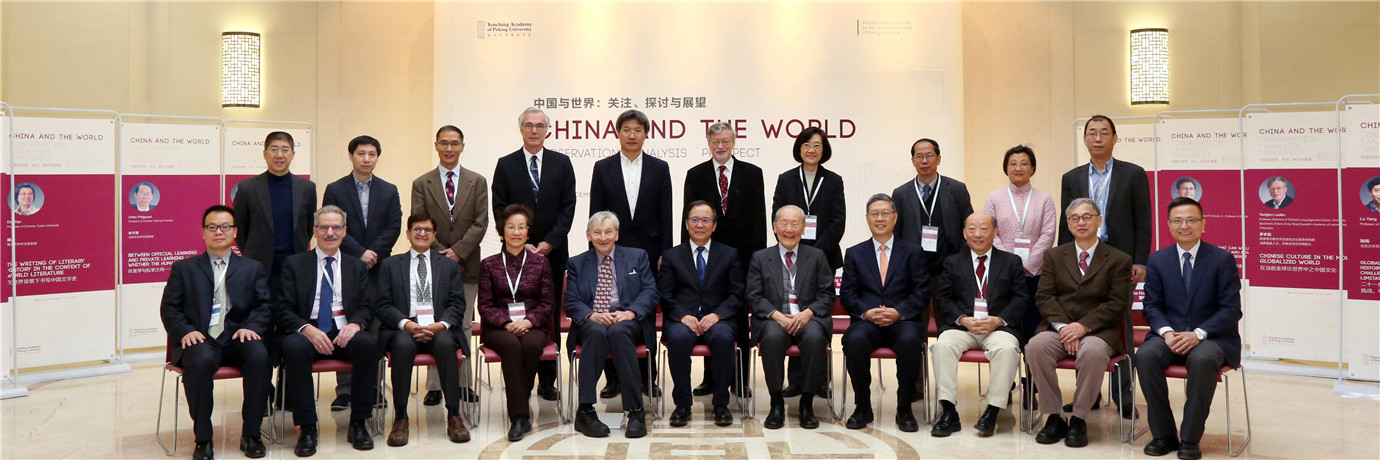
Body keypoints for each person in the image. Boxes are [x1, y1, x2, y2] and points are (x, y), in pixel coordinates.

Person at [160, 205, 272, 460]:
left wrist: (252, 327)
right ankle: (203, 439)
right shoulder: (184, 268)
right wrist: (185, 331)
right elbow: (170, 308)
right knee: (199, 362)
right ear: (203, 232)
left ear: (235, 232)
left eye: (225, 227)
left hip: (237, 336)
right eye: (212, 227)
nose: (218, 232)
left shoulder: (252, 267)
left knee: (259, 357)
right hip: (201, 337)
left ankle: (252, 434)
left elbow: (264, 305)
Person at [1137, 197, 1243, 460]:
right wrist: (1166, 332)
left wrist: (1198, 334)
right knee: (1146, 355)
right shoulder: (1158, 260)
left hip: (1212, 337)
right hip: (1170, 335)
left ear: (1203, 224)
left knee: (1203, 359)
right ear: (1169, 225)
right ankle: (1163, 435)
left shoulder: (1221, 259)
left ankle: (1190, 439)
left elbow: (1231, 309)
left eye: (1191, 220)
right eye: (1178, 221)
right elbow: (1151, 306)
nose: (1184, 226)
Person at [1059, 115, 1150, 419]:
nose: (1097, 138)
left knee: (1120, 325)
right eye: (1092, 133)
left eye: (1104, 133)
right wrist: (1062, 261)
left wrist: (1140, 260)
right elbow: (1066, 222)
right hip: (1081, 259)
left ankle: (1124, 396)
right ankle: (1089, 395)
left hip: (1118, 260)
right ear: (1085, 139)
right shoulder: (1071, 178)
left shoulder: (1133, 174)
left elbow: (1143, 220)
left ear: (1114, 137)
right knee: (1080, 320)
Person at [273, 205, 380, 456]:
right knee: (294, 347)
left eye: (336, 227)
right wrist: (306, 329)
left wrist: (355, 325)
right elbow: (282, 308)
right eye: (324, 227)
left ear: (344, 231)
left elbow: (367, 307)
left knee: (367, 344)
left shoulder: (356, 266)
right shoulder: (295, 264)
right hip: (308, 331)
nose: (330, 232)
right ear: (314, 230)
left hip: (344, 330)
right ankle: (307, 427)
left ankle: (359, 423)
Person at [1028, 198, 1133, 448]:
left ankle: (1078, 418)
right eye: (1075, 218)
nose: (1081, 222)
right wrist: (1064, 327)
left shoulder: (1118, 259)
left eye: (1087, 217)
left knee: (1093, 352)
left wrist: (1083, 326)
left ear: (1099, 221)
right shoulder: (1054, 255)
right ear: (1068, 224)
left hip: (1098, 331)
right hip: (1059, 328)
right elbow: (1044, 296)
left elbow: (1117, 303)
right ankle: (1054, 416)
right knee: (1035, 347)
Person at [491, 107, 577, 402]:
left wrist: (549, 242)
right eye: (529, 125)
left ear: (547, 130)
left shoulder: (561, 163)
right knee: (518, 311)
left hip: (553, 253)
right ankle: (521, 379)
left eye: (540, 126)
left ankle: (547, 381)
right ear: (521, 129)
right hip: (516, 252)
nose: (534, 130)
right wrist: (522, 242)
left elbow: (568, 207)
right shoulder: (506, 164)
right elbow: (500, 209)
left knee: (548, 315)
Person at [588, 109, 671, 399]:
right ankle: (614, 380)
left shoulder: (660, 168)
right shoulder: (603, 167)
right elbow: (596, 213)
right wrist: (595, 254)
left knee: (642, 312)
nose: (632, 135)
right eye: (627, 130)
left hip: (649, 252)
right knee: (609, 307)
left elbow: (666, 214)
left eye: (638, 130)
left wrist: (665, 254)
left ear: (646, 134)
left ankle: (648, 378)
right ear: (618, 133)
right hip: (610, 250)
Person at [682, 122, 765, 399]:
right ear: (708, 143)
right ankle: (710, 378)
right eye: (715, 141)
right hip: (707, 257)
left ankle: (740, 380)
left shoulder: (752, 173)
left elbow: (759, 220)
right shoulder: (696, 174)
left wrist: (758, 260)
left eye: (726, 141)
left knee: (739, 319)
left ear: (734, 142)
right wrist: (687, 257)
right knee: (708, 313)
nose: (720, 146)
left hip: (743, 258)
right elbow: (688, 218)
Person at [321, 134, 402, 412]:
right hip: (346, 266)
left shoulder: (389, 190)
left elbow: (394, 226)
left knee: (376, 328)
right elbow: (332, 225)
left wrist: (373, 253)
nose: (366, 159)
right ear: (351, 156)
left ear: (377, 157)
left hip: (379, 269)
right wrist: (359, 253)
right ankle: (345, 390)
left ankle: (373, 388)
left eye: (372, 154)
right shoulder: (335, 189)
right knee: (344, 322)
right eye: (361, 153)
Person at [374, 213, 470, 446]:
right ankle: (400, 417)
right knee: (402, 345)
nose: (422, 233)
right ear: (408, 233)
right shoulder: (390, 265)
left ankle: (454, 415)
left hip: (438, 327)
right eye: (417, 229)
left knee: (446, 343)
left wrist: (440, 325)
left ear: (434, 235)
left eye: (427, 230)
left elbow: (458, 303)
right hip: (404, 327)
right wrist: (407, 324)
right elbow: (382, 305)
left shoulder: (448, 265)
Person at [929, 212, 1026, 438]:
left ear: (995, 232)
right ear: (964, 233)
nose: (977, 234)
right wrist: (963, 319)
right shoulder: (952, 262)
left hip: (998, 328)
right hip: (963, 327)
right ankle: (949, 412)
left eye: (984, 229)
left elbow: (1021, 299)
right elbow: (943, 299)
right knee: (942, 346)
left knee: (1007, 349)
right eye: (971, 229)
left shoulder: (1011, 262)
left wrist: (998, 320)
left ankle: (992, 412)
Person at [840, 193, 930, 432]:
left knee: (910, 341)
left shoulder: (912, 252)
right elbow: (848, 294)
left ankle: (905, 409)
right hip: (867, 321)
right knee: (854, 340)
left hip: (903, 321)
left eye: (885, 213)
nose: (880, 219)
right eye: (874, 214)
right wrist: (867, 313)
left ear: (895, 217)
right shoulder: (855, 253)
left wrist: (898, 312)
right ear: (867, 218)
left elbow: (922, 292)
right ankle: (862, 406)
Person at [410, 125, 486, 405]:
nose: (449, 148)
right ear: (436, 146)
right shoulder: (422, 183)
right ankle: (434, 386)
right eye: (444, 143)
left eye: (455, 143)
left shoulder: (477, 181)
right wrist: (442, 254)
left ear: (462, 146)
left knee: (463, 324)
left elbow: (480, 223)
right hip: (432, 265)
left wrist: (459, 252)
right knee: (433, 322)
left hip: (468, 265)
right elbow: (419, 222)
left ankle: (464, 384)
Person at [565, 211, 659, 439]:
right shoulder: (577, 263)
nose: (603, 237)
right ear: (588, 235)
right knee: (597, 331)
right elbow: (572, 301)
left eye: (608, 232)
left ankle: (635, 411)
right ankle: (585, 411)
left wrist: (631, 312)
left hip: (626, 320)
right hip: (592, 321)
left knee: (618, 332)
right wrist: (591, 315)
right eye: (597, 232)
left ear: (617, 234)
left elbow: (650, 291)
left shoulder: (638, 257)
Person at [770, 126, 846, 398]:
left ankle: (820, 381)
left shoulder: (833, 180)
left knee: (816, 316)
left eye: (817, 145)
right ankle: (796, 382)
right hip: (791, 255)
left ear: (824, 150)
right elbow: (777, 215)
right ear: (799, 149)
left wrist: (815, 255)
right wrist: (796, 249)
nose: (811, 150)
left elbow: (838, 221)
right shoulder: (786, 179)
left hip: (823, 258)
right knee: (792, 313)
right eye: (806, 145)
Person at [747, 205, 834, 430]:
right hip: (774, 319)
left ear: (803, 229)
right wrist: (776, 315)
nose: (789, 229)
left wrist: (808, 313)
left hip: (808, 317)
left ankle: (807, 403)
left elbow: (827, 294)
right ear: (775, 227)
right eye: (784, 223)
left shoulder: (817, 256)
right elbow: (754, 296)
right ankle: (776, 402)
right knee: (772, 338)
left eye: (795, 224)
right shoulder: (760, 257)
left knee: (815, 338)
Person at [658, 201, 744, 428]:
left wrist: (717, 314)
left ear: (714, 226)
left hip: (717, 319)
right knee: (677, 338)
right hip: (682, 319)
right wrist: (682, 316)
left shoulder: (730, 255)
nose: (700, 225)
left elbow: (737, 294)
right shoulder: (671, 256)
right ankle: (682, 405)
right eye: (695, 219)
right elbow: (665, 294)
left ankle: (721, 404)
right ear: (687, 224)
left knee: (724, 338)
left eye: (706, 220)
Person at [476, 204, 555, 442]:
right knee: (511, 346)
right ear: (502, 231)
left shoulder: (541, 263)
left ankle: (520, 402)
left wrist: (529, 321)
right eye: (511, 227)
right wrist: (507, 322)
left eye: (521, 227)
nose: (516, 232)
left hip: (533, 324)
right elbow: (485, 305)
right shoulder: (489, 264)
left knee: (530, 345)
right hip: (499, 327)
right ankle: (519, 416)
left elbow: (548, 302)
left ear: (528, 232)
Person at [984, 145, 1057, 346]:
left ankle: (1033, 367)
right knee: (1005, 329)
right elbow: (990, 233)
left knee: (1034, 327)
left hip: (1036, 274)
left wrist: (1029, 264)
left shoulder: (1044, 199)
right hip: (1003, 275)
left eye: (1024, 163)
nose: (1018, 168)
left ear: (1032, 168)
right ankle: (1007, 367)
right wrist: (1011, 264)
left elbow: (1048, 234)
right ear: (1006, 168)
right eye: (1013, 164)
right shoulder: (994, 199)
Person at [233, 131, 317, 285]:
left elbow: (309, 226)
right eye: (274, 149)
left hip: (296, 265)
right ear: (265, 154)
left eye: (285, 150)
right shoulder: (247, 188)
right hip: (258, 266)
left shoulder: (307, 188)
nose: (279, 155)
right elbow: (240, 228)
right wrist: (252, 255)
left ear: (292, 154)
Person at [893, 138, 974, 289]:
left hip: (949, 269)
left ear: (939, 159)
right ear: (913, 161)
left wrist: (960, 259)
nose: (924, 160)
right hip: (913, 270)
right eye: (919, 156)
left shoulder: (957, 189)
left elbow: (969, 226)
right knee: (916, 305)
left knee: (946, 305)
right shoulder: (901, 194)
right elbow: (896, 233)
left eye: (929, 155)